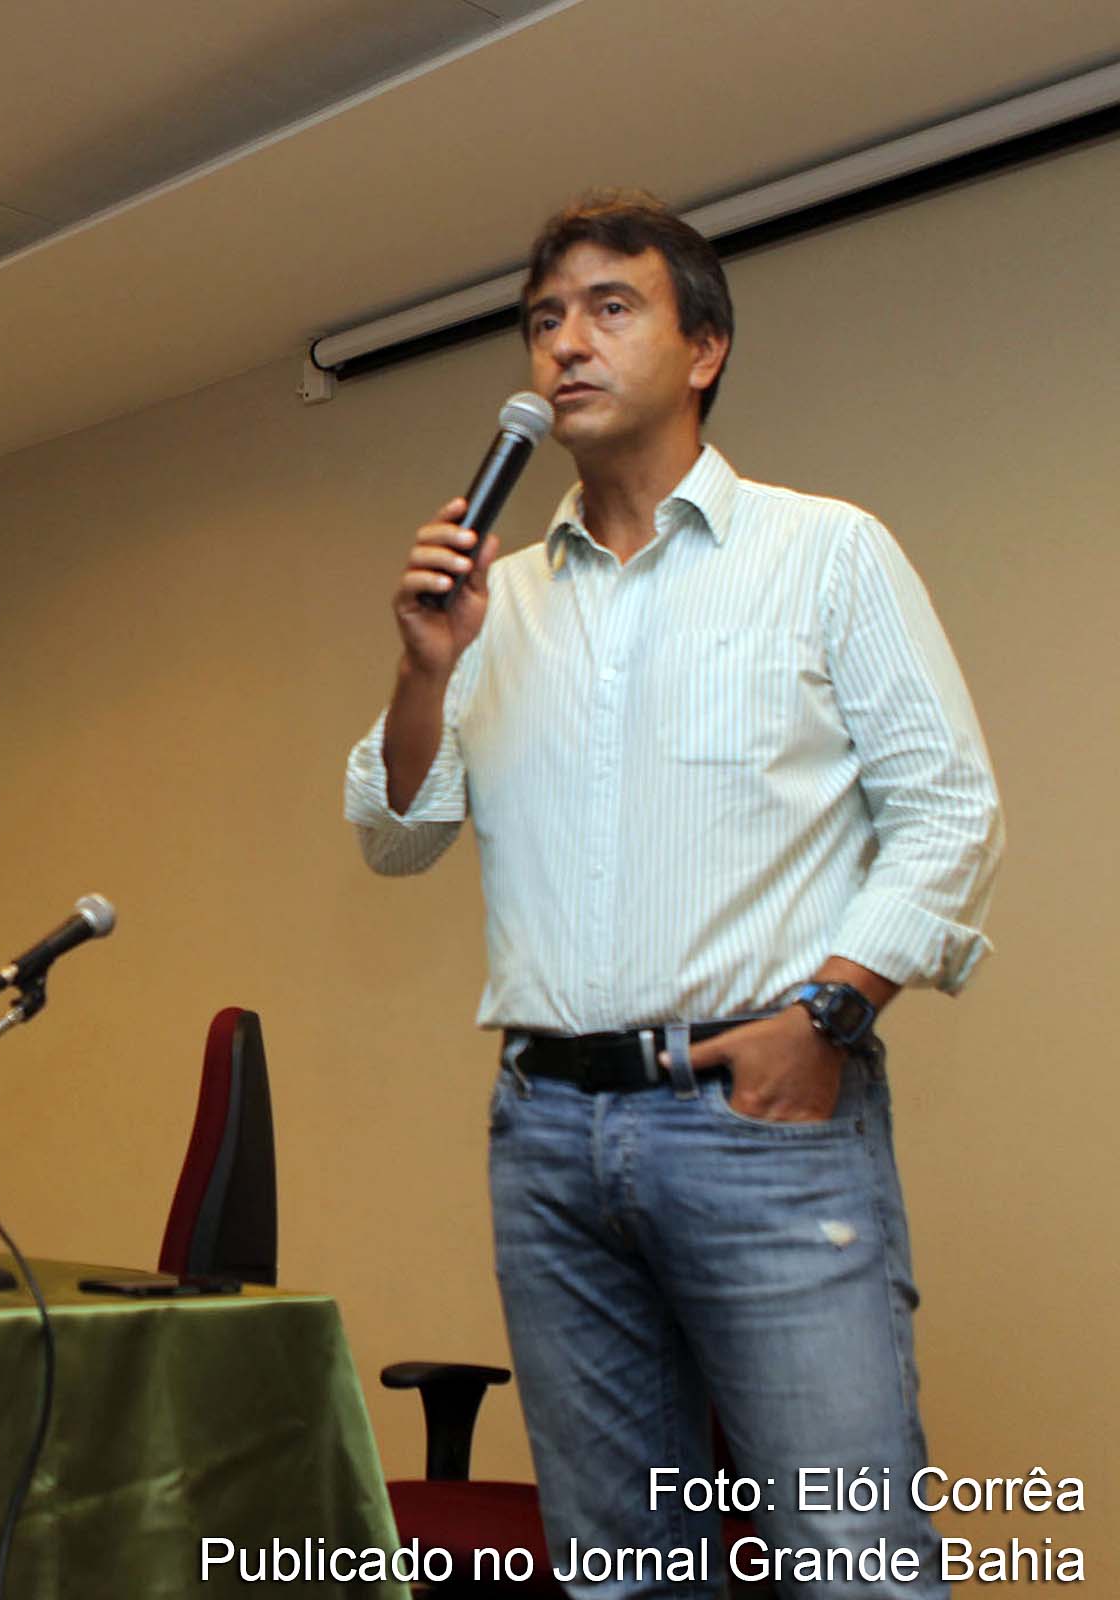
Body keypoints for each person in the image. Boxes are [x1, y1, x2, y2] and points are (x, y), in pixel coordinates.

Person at [344, 191, 1002, 1597]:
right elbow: (396, 836)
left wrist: (828, 1013)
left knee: (851, 1559)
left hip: (763, 1129)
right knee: (622, 1570)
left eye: (608, 309)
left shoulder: (824, 552)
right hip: (548, 1137)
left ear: (703, 349)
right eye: (542, 321)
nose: (563, 345)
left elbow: (950, 813)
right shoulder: (494, 602)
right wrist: (422, 667)